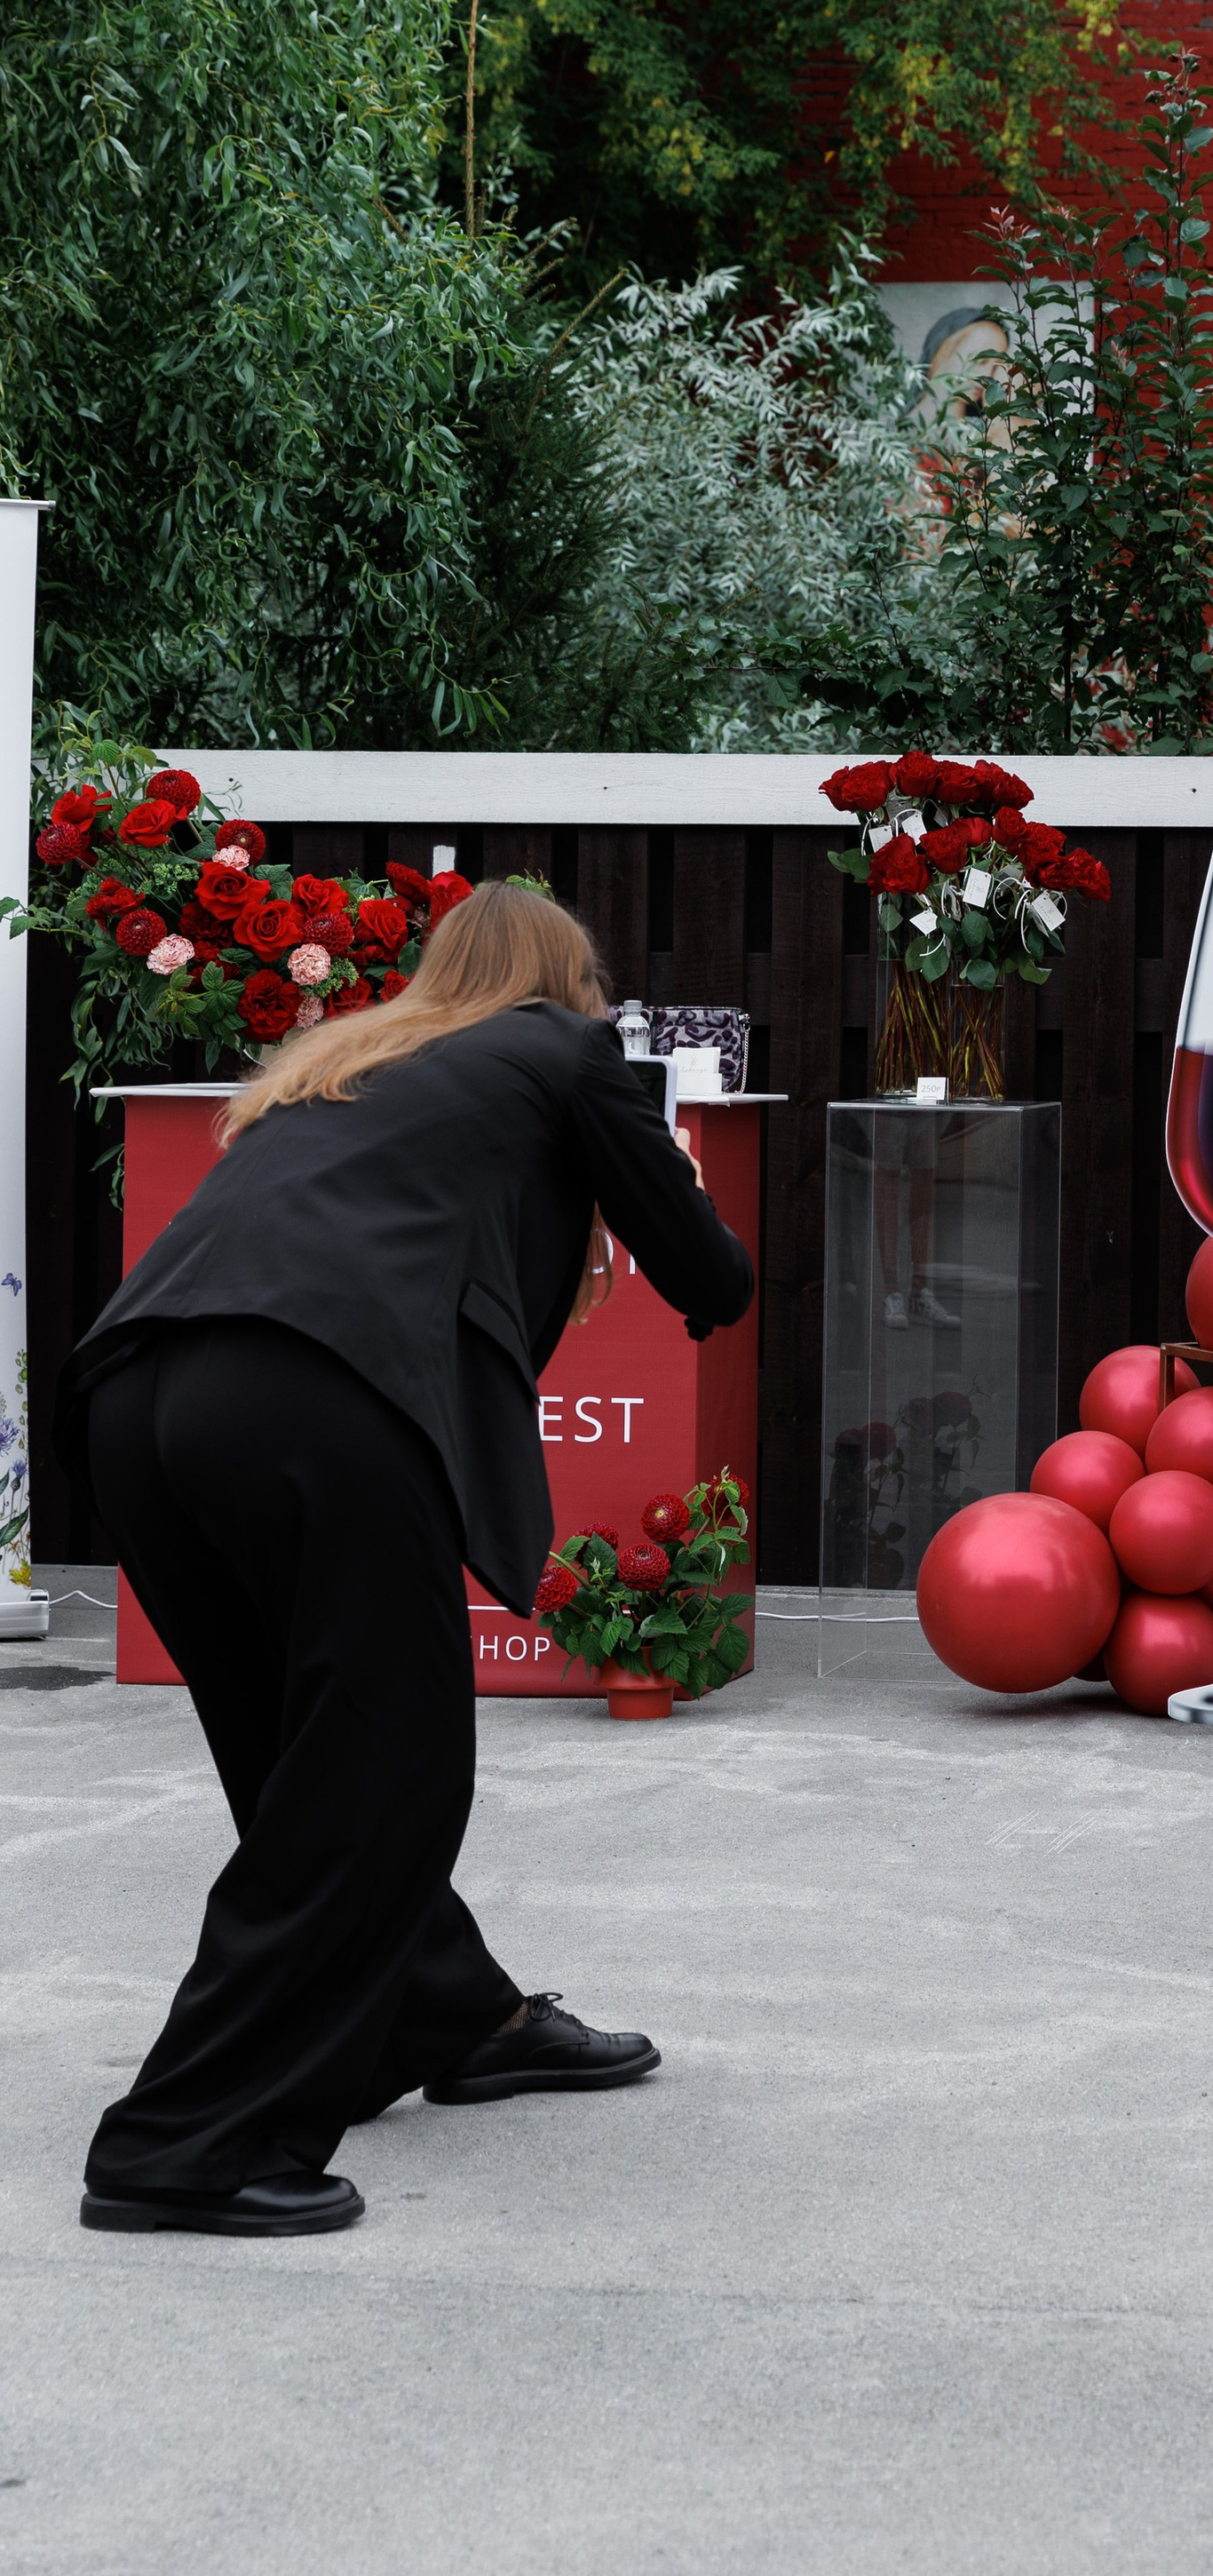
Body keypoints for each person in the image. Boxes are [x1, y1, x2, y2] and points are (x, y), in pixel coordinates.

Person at [59, 883, 756, 2235]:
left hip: (138, 1397)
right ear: (566, 982)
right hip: (315, 1393)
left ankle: (452, 2015)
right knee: (387, 1768)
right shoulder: (561, 1049)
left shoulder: (347, 1062)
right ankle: (187, 2142)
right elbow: (707, 1274)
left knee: (300, 1753)